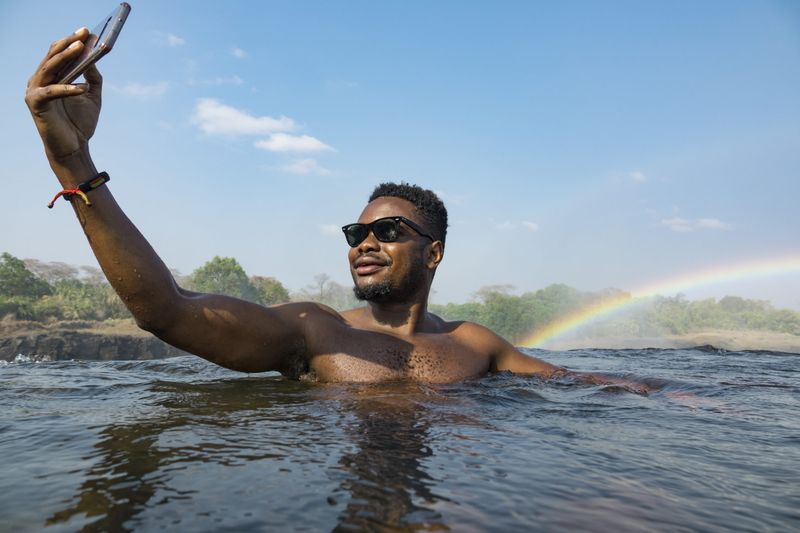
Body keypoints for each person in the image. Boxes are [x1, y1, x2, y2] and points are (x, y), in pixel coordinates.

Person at [25, 29, 645, 389]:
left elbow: (579, 386)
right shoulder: (315, 329)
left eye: (387, 230)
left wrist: (692, 397)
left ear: (434, 251)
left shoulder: (476, 343)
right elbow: (165, 310)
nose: (362, 242)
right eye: (356, 231)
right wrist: (74, 163)